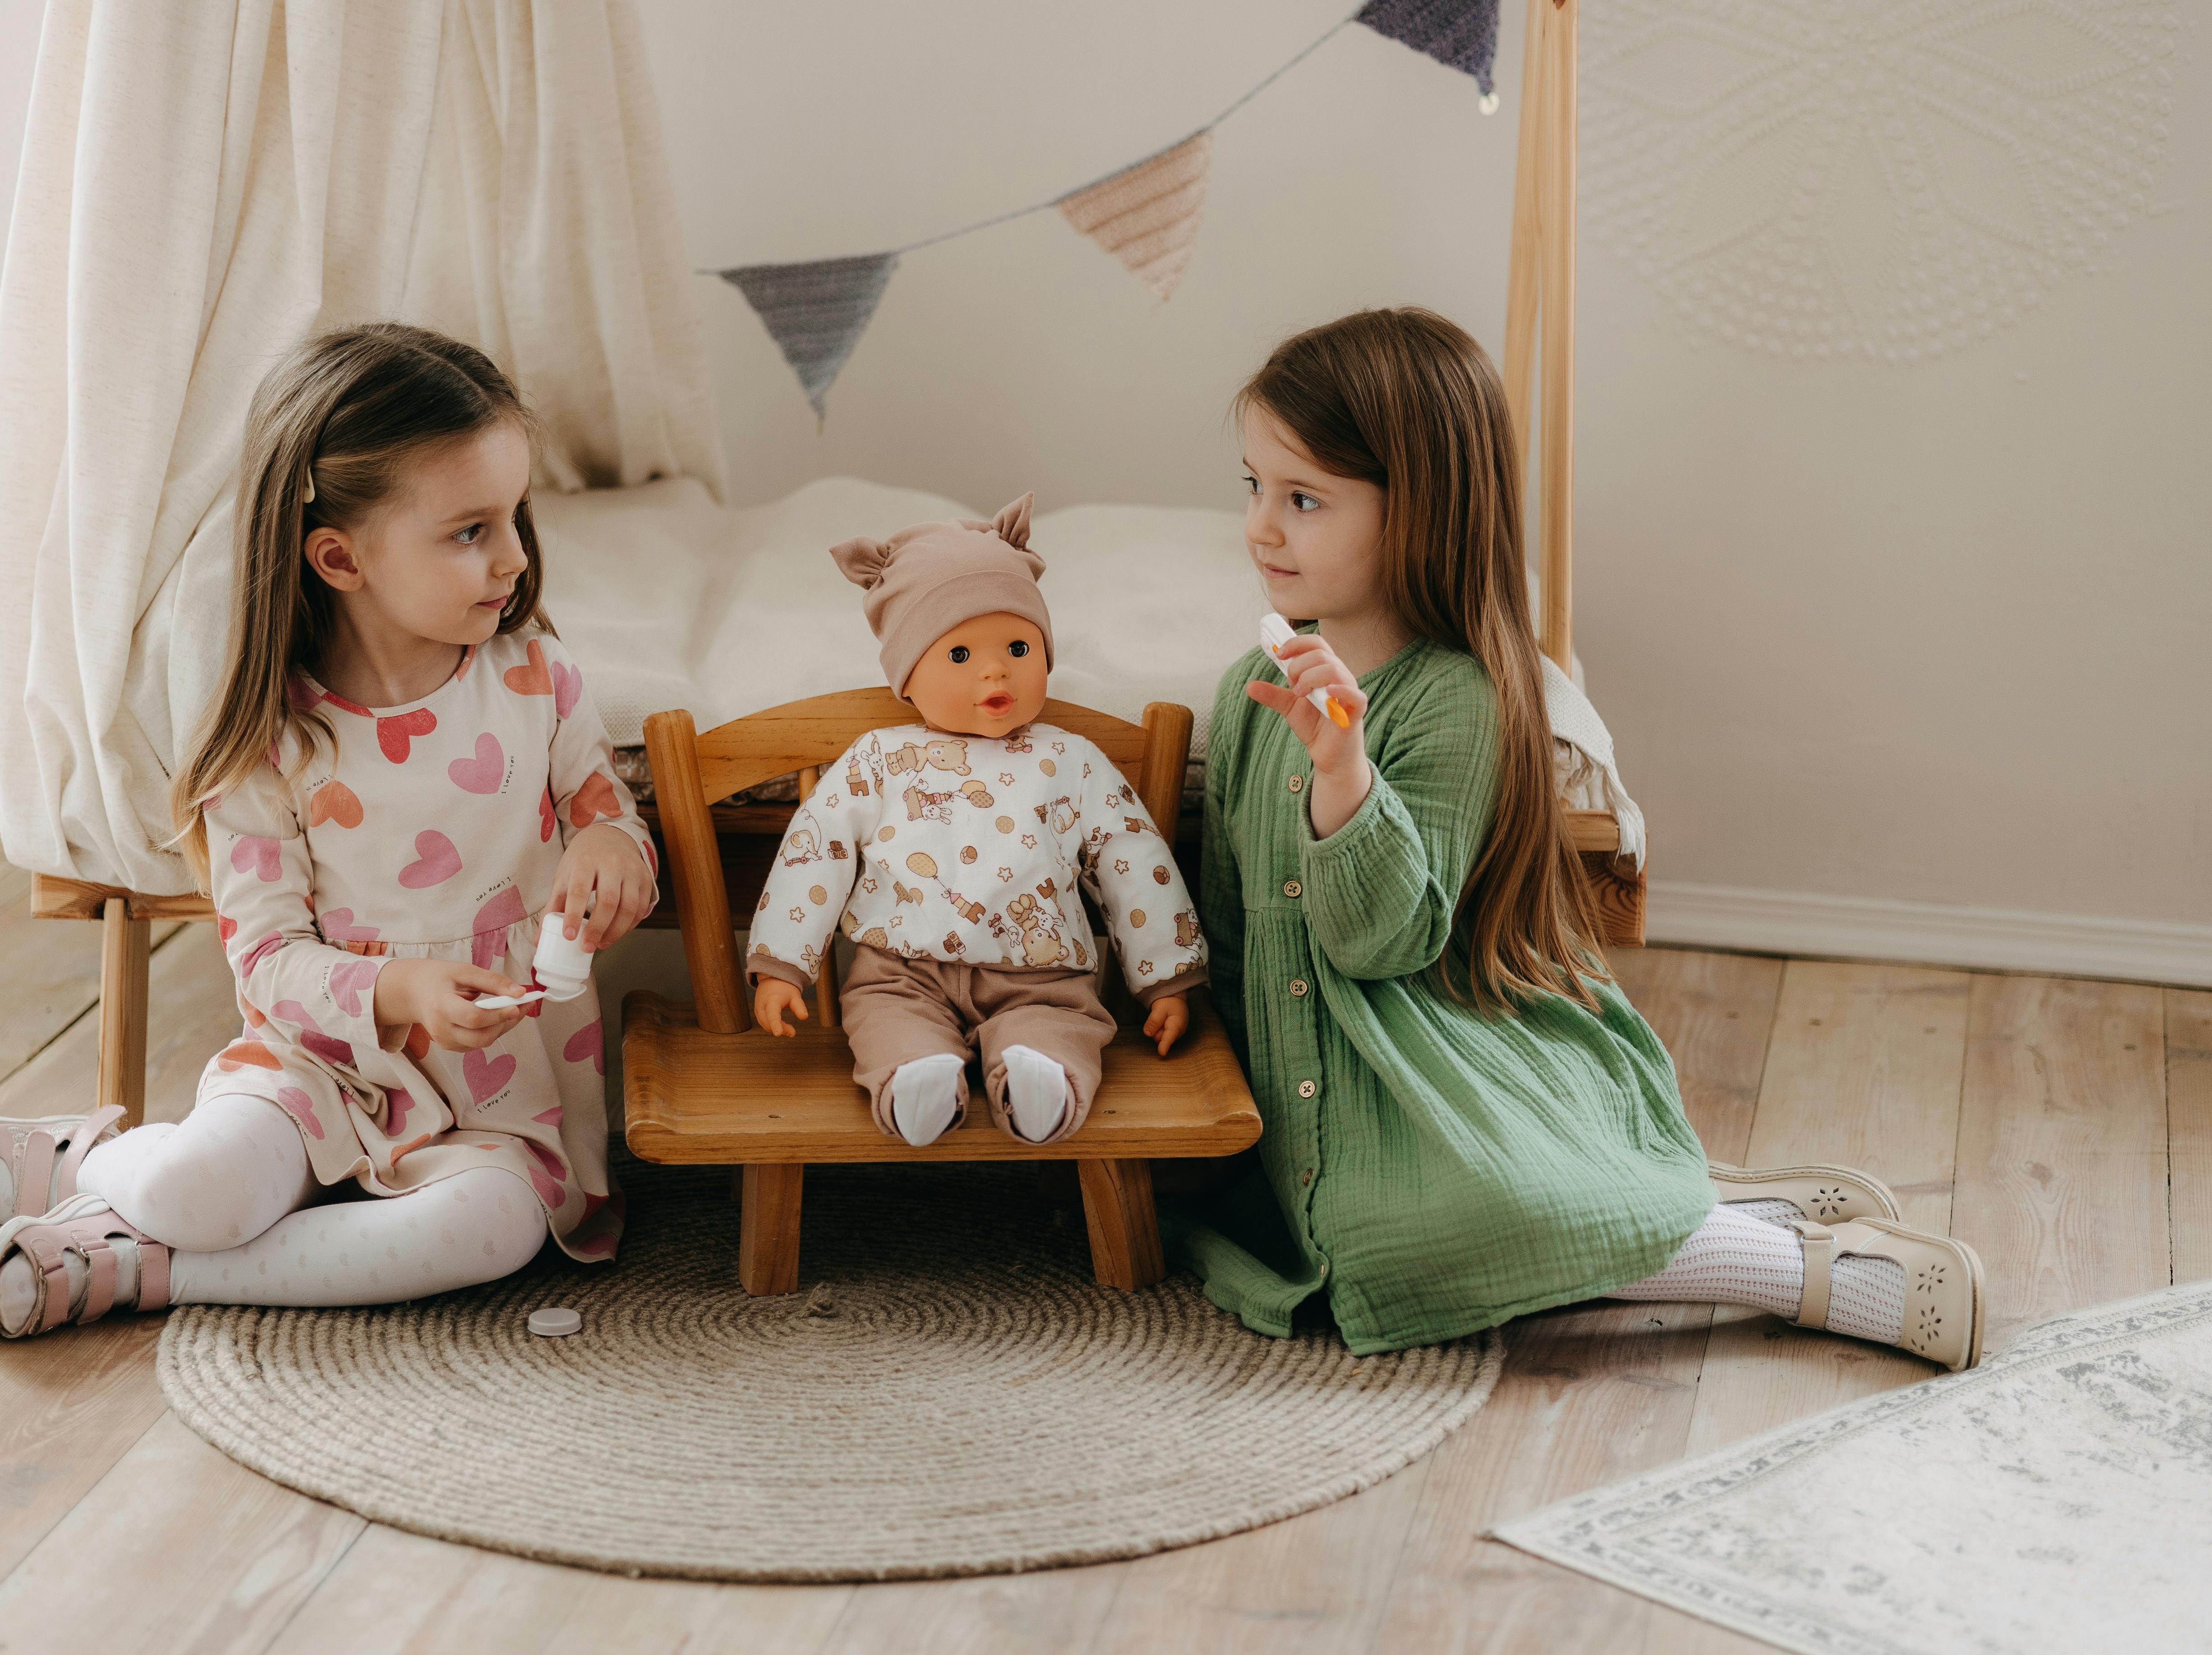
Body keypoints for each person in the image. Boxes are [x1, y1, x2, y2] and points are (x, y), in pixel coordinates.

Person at [1171, 308, 1984, 1371]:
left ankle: (1812, 1275)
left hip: (1416, 1053)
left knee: (1439, 1224)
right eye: (1255, 489)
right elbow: (1230, 921)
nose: (1262, 528)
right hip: (1296, 1077)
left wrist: (1344, 772)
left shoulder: (1457, 699)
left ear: (1417, 511)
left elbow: (1385, 944)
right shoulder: (1248, 692)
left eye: (1305, 499)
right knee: (1311, 1226)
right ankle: (1688, 1202)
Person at [0, 322, 656, 1337]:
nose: (517, 557)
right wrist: (398, 991)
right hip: (319, 1068)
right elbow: (266, 961)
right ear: (341, 558)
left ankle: (147, 1270)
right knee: (199, 1192)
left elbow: (602, 806)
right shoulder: (272, 748)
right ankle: (84, 1164)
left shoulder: (538, 682)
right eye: (471, 530)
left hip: (499, 1099)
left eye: (515, 516)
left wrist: (615, 850)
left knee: (495, 1235)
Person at [746, 495, 1202, 1146]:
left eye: (1018, 646)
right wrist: (782, 964)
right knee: (883, 1023)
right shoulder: (878, 760)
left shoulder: (1070, 760)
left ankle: (1043, 1083)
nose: (994, 669)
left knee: (1058, 1030)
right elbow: (815, 851)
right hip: (900, 974)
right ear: (907, 678)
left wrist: (1166, 977)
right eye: (959, 656)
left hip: (1042, 978)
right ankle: (915, 1081)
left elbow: (1132, 858)